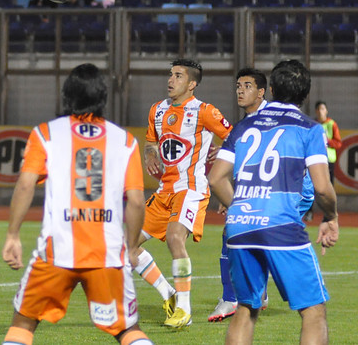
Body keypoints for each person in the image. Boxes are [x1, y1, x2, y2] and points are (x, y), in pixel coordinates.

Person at [1, 63, 153, 345]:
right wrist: (131, 248)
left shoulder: (46, 134)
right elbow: (135, 202)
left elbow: (24, 185)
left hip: (56, 252)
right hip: (107, 254)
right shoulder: (125, 141)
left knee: (23, 323)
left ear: (67, 96)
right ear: (103, 98)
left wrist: (12, 235)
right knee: (127, 330)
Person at [208, 59, 339, 344]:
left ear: (272, 89)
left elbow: (216, 179)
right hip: (281, 226)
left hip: (240, 226)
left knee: (246, 309)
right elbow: (323, 188)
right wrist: (331, 217)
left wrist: (241, 206)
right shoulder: (309, 129)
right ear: (305, 93)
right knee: (314, 311)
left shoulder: (243, 126)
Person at [139, 58, 232, 328]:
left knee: (174, 237)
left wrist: (225, 179)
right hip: (164, 190)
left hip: (191, 189)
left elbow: (236, 138)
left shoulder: (205, 112)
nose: (170, 80)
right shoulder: (157, 110)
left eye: (178, 76)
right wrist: (149, 152)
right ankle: (169, 294)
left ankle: (185, 310)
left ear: (192, 84)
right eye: (170, 75)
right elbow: (150, 140)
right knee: (126, 247)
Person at [209, 67, 268, 322]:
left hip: (273, 192)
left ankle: (230, 299)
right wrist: (229, 195)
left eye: (247, 86)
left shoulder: (268, 119)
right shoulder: (246, 123)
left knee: (236, 234)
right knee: (244, 236)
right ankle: (253, 292)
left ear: (261, 91)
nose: (240, 91)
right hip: (256, 190)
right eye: (238, 86)